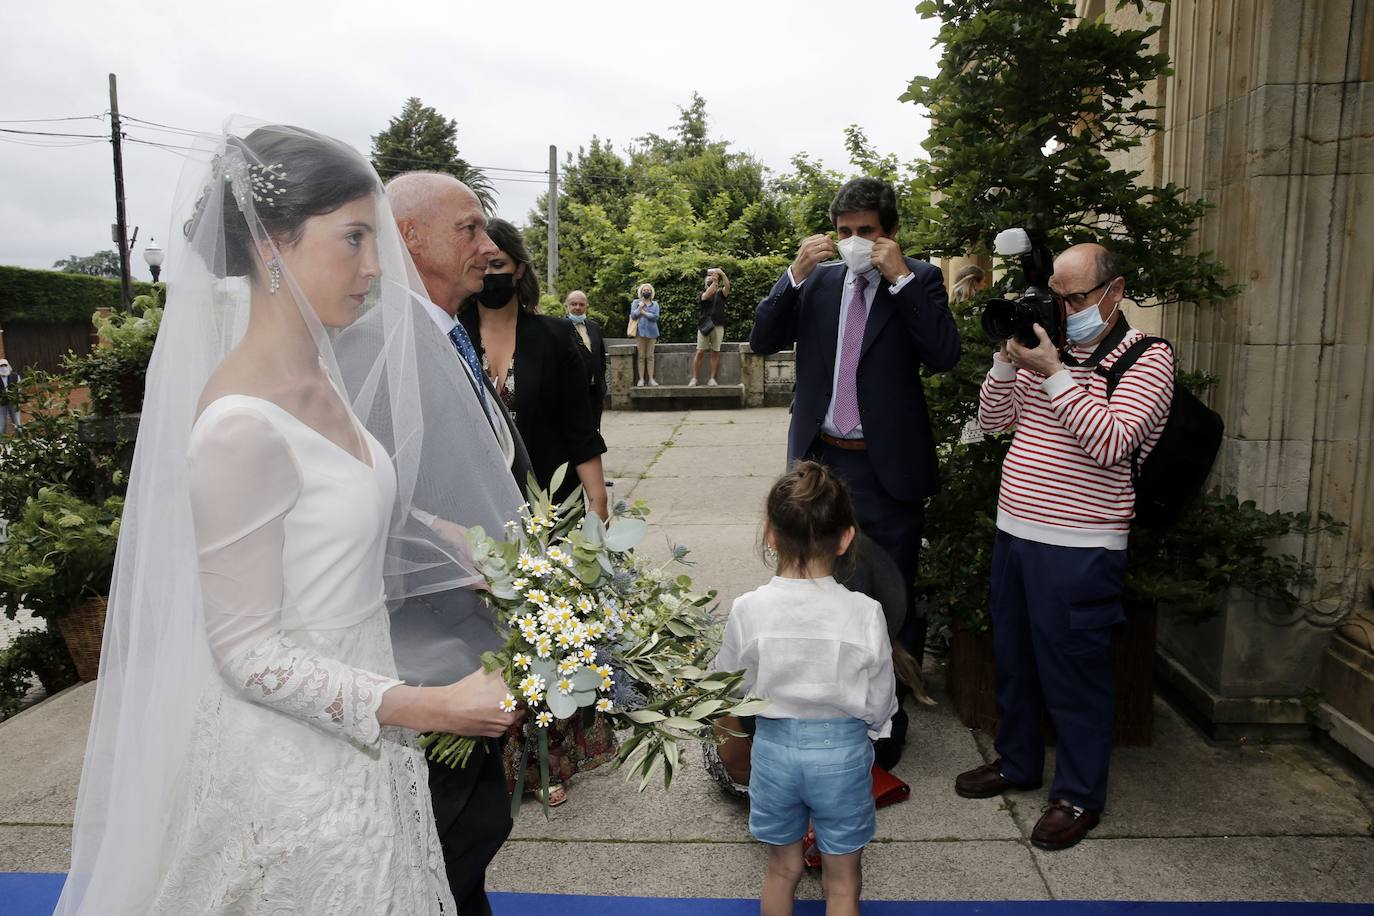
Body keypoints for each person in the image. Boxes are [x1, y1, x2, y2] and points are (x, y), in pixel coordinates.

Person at [56, 124, 518, 916]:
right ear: (273, 247)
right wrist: (430, 706)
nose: (374, 267)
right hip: (291, 765)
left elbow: (324, 520)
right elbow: (243, 652)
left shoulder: (326, 377)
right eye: (353, 240)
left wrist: (466, 548)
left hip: (370, 739)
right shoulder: (240, 422)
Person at [335, 171, 531, 915]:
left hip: (468, 644)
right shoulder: (376, 342)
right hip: (422, 653)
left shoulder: (442, 331)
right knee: (440, 849)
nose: (489, 249)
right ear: (407, 235)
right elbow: (369, 498)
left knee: (471, 838)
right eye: (469, 230)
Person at [955, 242, 1173, 851]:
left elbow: (1112, 443)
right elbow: (994, 420)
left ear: (1114, 291)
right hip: (1016, 533)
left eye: (1076, 296)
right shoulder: (1045, 344)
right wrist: (1008, 361)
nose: (1064, 306)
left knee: (1075, 676)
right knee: (1016, 663)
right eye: (1058, 294)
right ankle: (1016, 762)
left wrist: (1055, 373)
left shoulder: (1147, 359)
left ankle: (1078, 795)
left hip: (1082, 547)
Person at [749, 176, 961, 689]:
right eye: (844, 231)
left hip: (886, 465)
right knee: (815, 578)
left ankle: (891, 704)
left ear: (890, 232)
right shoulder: (819, 283)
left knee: (893, 588)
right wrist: (793, 276)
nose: (853, 241)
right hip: (821, 463)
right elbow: (762, 340)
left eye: (866, 230)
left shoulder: (921, 279)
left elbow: (943, 355)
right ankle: (821, 684)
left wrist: (901, 279)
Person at [716, 460, 897, 916]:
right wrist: (872, 731)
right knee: (842, 883)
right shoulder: (865, 612)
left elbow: (729, 688)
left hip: (774, 752)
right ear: (847, 537)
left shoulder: (747, 609)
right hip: (841, 754)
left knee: (782, 869)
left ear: (770, 535)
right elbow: (881, 700)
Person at [459, 219, 609, 518]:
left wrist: (598, 501)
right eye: (481, 264)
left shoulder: (555, 337)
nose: (489, 273)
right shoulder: (452, 334)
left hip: (550, 502)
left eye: (498, 263)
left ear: (520, 269)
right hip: (473, 506)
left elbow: (579, 426)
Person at [565, 289, 608, 430]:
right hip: (573, 390)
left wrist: (601, 382)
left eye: (581, 304)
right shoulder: (560, 328)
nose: (577, 307)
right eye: (574, 304)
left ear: (586, 306)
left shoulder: (594, 327)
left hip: (595, 389)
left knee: (595, 428)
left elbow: (600, 356)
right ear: (567, 306)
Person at [690, 267, 729, 386]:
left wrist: (722, 274)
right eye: (709, 280)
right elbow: (708, 294)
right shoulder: (702, 294)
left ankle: (712, 379)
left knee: (715, 352)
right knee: (700, 351)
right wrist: (715, 282)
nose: (711, 281)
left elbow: (727, 286)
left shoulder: (721, 295)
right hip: (704, 326)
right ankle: (694, 378)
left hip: (718, 325)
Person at [630, 282, 660, 386]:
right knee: (641, 356)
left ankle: (651, 379)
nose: (646, 292)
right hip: (640, 333)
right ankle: (641, 379)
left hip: (652, 333)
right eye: (644, 290)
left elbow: (655, 317)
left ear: (651, 292)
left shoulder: (655, 304)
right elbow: (633, 316)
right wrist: (639, 308)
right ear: (641, 292)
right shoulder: (636, 302)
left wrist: (643, 313)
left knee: (650, 356)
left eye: (648, 290)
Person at [0, 359, 20, 433]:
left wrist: (17, 397)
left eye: (5, 365)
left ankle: (20, 438)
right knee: (2, 423)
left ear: (8, 365)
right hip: (1, 403)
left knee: (17, 422)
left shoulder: (15, 376)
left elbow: (19, 388)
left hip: (13, 401)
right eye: (1, 366)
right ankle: (2, 442)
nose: (3, 367)